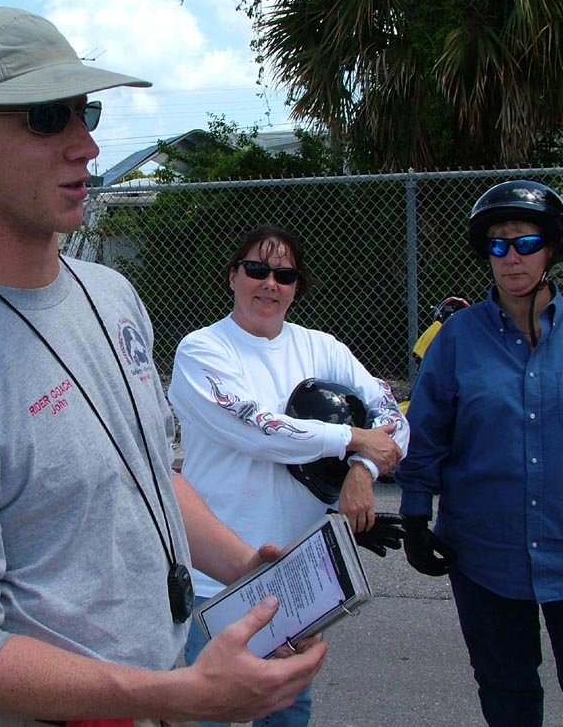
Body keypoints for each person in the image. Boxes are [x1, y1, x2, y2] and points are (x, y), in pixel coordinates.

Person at [0, 7, 328, 727]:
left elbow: (147, 471)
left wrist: (242, 566)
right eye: (47, 117)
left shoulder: (111, 296)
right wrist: (177, 695)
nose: (86, 144)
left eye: (85, 111)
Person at [395, 180, 563, 727]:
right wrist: (416, 517)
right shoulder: (456, 339)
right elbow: (426, 436)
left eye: (525, 243)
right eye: (498, 245)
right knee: (507, 694)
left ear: (552, 248)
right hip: (484, 554)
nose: (511, 257)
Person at [168, 224, 408, 727]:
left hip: (300, 575)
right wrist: (352, 438)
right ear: (233, 276)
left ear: (298, 286)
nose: (269, 284)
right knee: (208, 711)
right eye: (256, 270)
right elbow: (256, 429)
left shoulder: (323, 348)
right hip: (218, 579)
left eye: (284, 275)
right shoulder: (201, 350)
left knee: (287, 712)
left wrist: (362, 470)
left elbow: (393, 421)